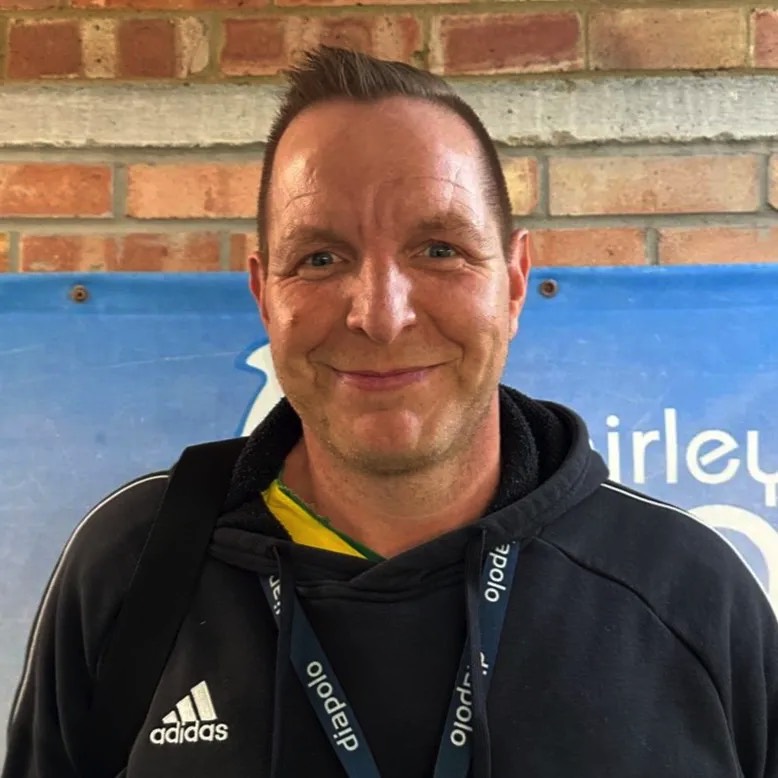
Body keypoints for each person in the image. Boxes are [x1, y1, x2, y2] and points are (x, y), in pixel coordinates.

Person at [4, 45, 777, 778]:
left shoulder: (689, 590)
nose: (380, 315)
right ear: (265, 294)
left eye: (439, 249)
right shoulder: (133, 567)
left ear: (513, 283)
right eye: (320, 258)